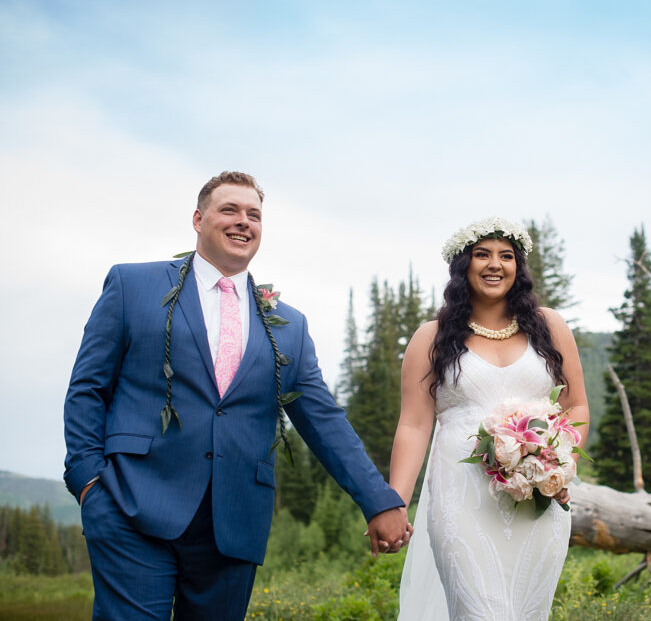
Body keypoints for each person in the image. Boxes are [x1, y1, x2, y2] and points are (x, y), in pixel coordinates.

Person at [63, 171, 411, 620]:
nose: (243, 221)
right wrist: (89, 484)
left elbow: (323, 420)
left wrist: (378, 499)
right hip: (131, 505)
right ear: (198, 218)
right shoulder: (134, 286)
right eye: (229, 209)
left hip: (234, 523)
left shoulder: (289, 324)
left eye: (254, 215)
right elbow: (87, 387)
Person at [389, 217, 588, 620]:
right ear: (463, 264)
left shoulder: (550, 328)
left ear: (519, 267)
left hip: (537, 500)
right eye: (482, 254)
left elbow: (576, 406)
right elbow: (413, 424)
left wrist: (561, 468)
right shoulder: (432, 337)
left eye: (506, 256)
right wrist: (394, 504)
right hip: (462, 500)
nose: (495, 264)